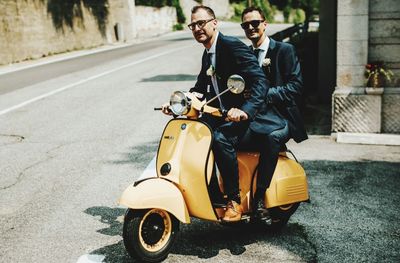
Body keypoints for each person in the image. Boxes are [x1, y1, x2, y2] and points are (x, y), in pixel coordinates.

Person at [162, 5, 269, 222]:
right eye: (193, 25)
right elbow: (200, 88)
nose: (197, 28)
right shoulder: (207, 54)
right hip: (218, 114)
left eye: (201, 23)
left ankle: (234, 201)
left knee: (220, 139)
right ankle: (210, 193)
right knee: (192, 137)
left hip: (241, 118)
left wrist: (245, 111)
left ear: (214, 22)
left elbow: (260, 80)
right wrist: (177, 103)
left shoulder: (231, 46)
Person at [239, 6, 308, 222]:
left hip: (283, 117)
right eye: (245, 25)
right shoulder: (247, 55)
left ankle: (260, 197)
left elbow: (296, 87)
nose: (250, 27)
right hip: (256, 117)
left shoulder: (284, 50)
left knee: (271, 138)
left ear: (264, 24)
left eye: (255, 23)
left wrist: (264, 94)